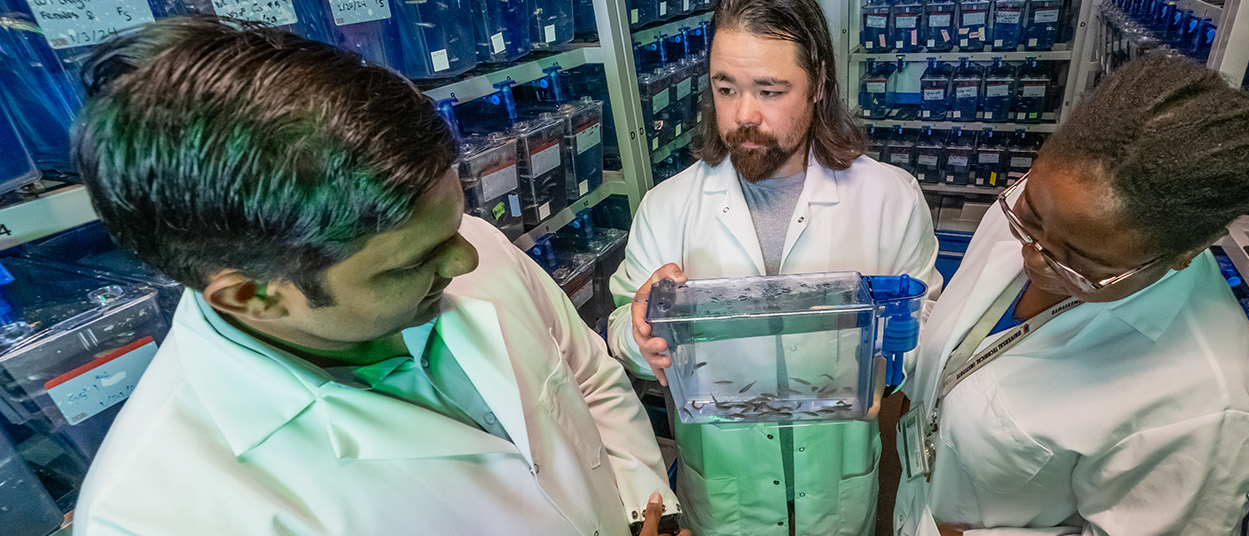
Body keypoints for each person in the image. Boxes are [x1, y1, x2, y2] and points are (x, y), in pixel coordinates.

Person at [69, 17, 683, 536]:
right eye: (412, 262)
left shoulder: (465, 247)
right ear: (252, 295)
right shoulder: (153, 512)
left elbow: (587, 376)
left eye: (455, 220)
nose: (467, 259)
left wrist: (640, 508)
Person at [894, 54, 1249, 536]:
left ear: (1184, 253)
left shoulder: (1206, 409)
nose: (1036, 256)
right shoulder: (1062, 203)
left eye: (1082, 260)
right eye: (1031, 216)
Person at [605, 0, 941, 534]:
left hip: (837, 483)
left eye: (770, 91)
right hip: (725, 490)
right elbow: (622, 326)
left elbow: (930, 329)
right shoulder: (667, 208)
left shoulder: (889, 199)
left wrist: (890, 331)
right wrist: (640, 335)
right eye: (726, 88)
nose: (744, 114)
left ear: (819, 84)